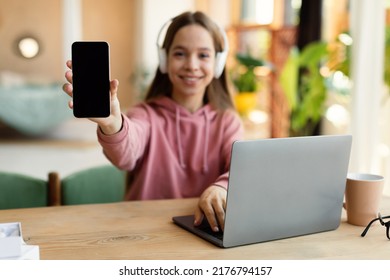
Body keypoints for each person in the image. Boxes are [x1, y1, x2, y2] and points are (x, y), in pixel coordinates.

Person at [63, 11, 243, 232]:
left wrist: (221, 188)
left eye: (203, 55)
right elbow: (126, 154)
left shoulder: (228, 122)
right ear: (164, 60)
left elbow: (241, 171)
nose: (192, 65)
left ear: (218, 63)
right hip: (145, 230)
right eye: (180, 54)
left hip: (204, 230)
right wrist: (112, 124)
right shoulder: (146, 114)